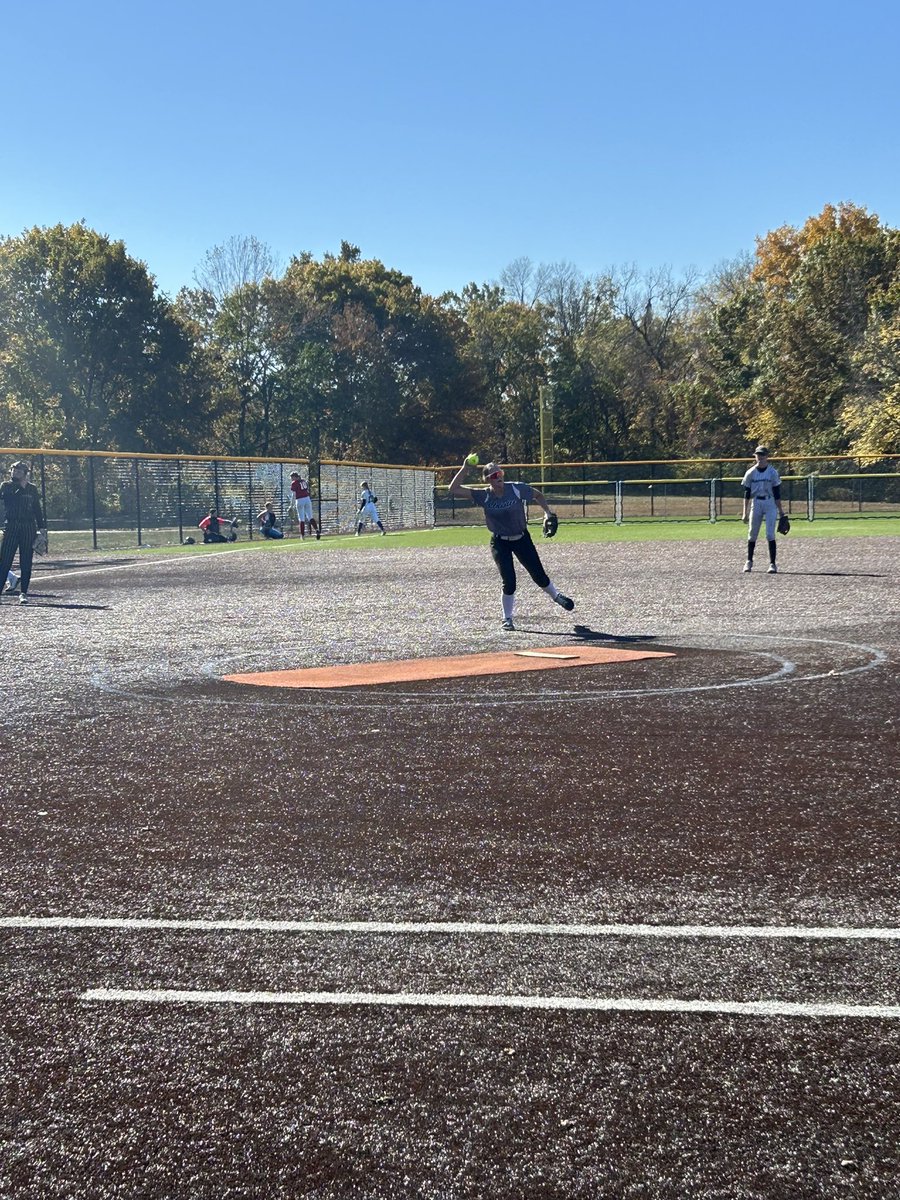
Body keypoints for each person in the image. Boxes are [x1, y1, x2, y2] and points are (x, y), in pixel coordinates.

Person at [448, 458, 575, 630]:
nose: (499, 477)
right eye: (494, 475)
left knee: (539, 575)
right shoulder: (484, 495)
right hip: (500, 542)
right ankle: (507, 619)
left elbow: (537, 494)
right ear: (487, 479)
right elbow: (453, 489)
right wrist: (465, 468)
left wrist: (547, 513)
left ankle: (556, 596)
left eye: (500, 473)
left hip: (521, 538)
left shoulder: (515, 489)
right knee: (509, 582)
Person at [0, 461, 47, 605]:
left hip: (28, 527)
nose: (15, 473)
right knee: (5, 561)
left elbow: (37, 508)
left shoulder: (32, 489)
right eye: (14, 470)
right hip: (12, 525)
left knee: (26, 561)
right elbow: (9, 500)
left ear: (25, 474)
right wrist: (21, 487)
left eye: (19, 471)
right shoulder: (6, 486)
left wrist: (42, 528)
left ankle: (23, 593)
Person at [741, 446, 786, 574]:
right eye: (758, 455)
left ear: (767, 456)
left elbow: (777, 494)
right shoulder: (750, 473)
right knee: (752, 534)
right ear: (755, 456)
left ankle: (772, 564)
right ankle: (749, 561)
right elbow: (747, 493)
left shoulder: (772, 473)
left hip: (770, 503)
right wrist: (744, 512)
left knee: (770, 534)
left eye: (762, 455)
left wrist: (781, 511)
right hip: (756, 503)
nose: (760, 457)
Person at [289, 471, 320, 539]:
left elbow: (294, 494)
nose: (291, 479)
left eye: (292, 477)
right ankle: (317, 530)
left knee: (301, 518)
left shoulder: (294, 483)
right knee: (310, 517)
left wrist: (291, 504)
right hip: (307, 499)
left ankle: (302, 535)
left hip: (300, 500)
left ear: (294, 477)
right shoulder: (303, 481)